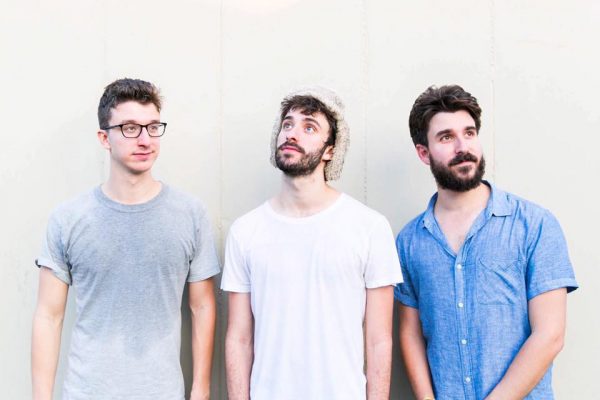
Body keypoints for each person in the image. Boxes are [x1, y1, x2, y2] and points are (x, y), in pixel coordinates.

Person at [31, 78, 220, 400]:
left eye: (153, 127)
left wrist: (200, 390)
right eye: (130, 128)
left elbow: (202, 306)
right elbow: (48, 316)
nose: (145, 140)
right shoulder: (68, 219)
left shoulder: (190, 214)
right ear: (104, 138)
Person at [396, 84, 578, 399]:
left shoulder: (534, 224)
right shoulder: (410, 241)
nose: (462, 147)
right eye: (446, 137)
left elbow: (550, 335)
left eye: (469, 133)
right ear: (424, 153)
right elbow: (410, 334)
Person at [221, 87, 402, 400]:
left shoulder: (369, 227)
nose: (291, 134)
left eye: (309, 127)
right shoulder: (245, 231)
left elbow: (379, 341)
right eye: (287, 124)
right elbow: (239, 339)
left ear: (330, 150)